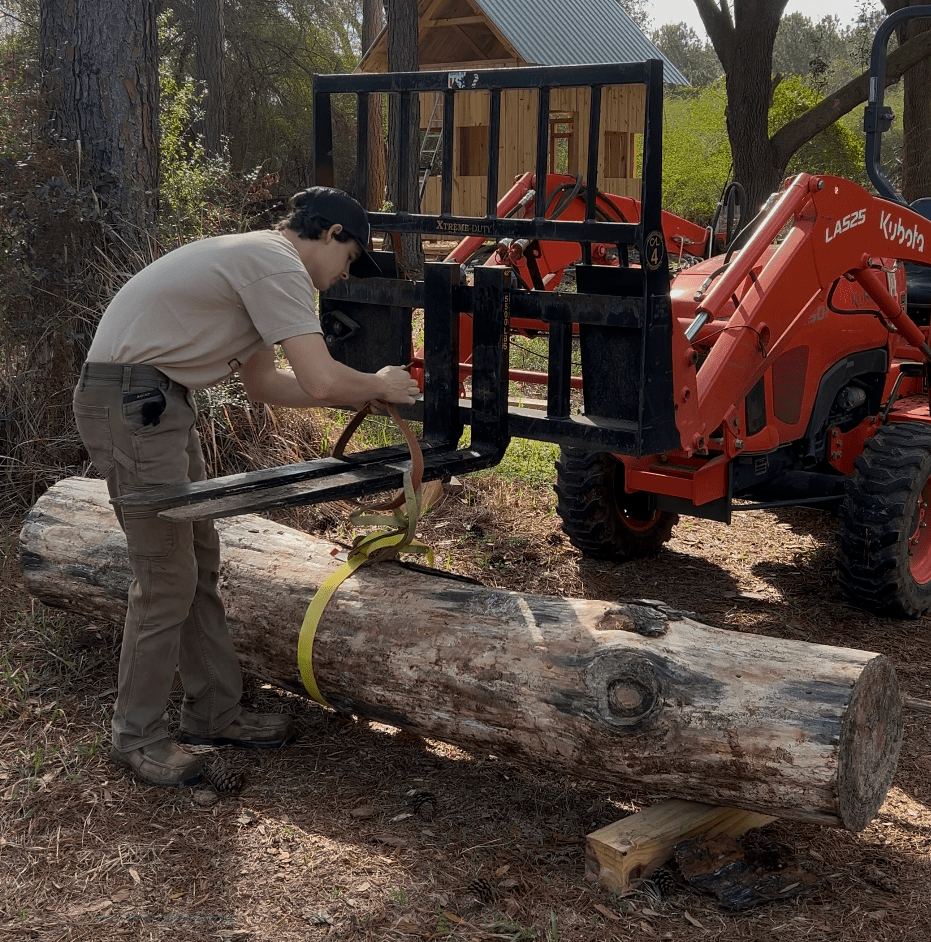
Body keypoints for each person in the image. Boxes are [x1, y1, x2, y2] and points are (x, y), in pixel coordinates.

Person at [72, 186, 419, 788]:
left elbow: (267, 385)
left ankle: (212, 713)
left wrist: (365, 388)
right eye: (350, 257)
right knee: (164, 578)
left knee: (198, 560)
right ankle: (136, 738)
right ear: (332, 234)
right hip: (133, 402)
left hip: (155, 401)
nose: (343, 276)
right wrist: (380, 384)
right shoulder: (278, 264)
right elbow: (316, 380)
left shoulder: (261, 263)